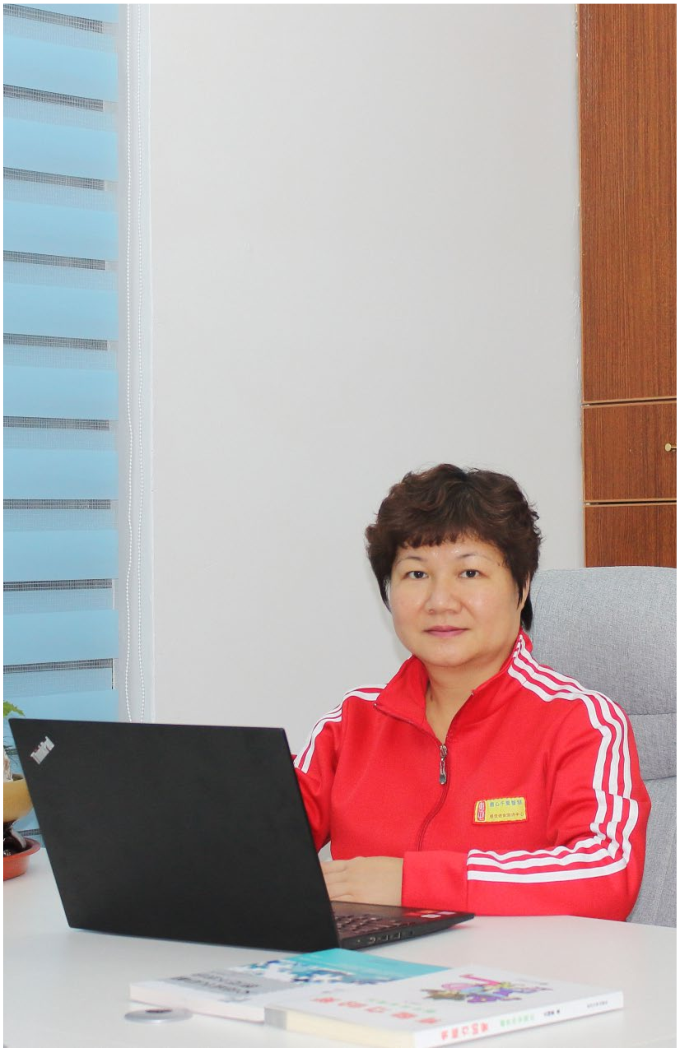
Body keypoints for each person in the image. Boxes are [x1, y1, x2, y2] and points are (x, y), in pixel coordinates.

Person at [294, 464, 650, 920]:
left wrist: (412, 882)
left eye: (469, 572)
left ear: (522, 587)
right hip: (366, 963)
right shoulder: (351, 722)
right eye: (416, 574)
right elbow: (258, 843)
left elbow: (605, 874)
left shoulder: (582, 722)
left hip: (520, 965)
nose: (440, 601)